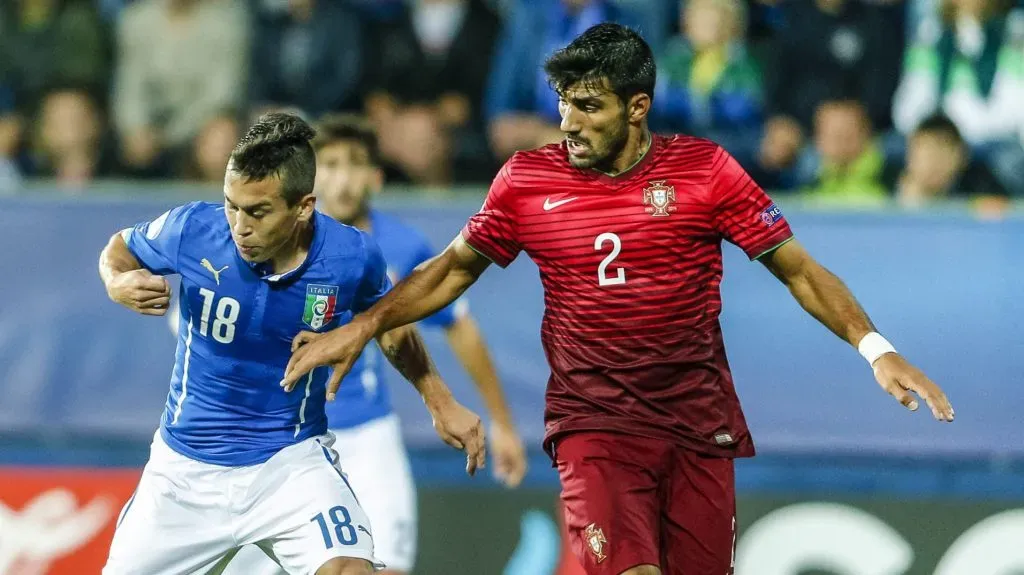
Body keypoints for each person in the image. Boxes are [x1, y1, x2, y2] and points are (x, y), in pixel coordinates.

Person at [279, 24, 956, 575]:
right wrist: (365, 324)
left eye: (589, 107)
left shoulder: (704, 172)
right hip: (594, 425)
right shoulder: (526, 182)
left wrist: (876, 348)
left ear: (637, 108)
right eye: (563, 103)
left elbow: (799, 271)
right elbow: (452, 271)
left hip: (697, 424)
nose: (568, 123)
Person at [98, 112, 485, 575]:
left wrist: (440, 401)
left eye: (257, 212)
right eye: (231, 205)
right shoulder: (192, 229)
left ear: (303, 207)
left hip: (290, 464)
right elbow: (120, 248)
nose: (239, 225)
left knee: (350, 570)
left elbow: (388, 324)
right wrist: (116, 281)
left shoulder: (350, 256)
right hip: (184, 472)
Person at [227, 116, 527, 575]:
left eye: (355, 164)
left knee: (387, 567)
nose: (343, 179)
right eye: (330, 165)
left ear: (376, 177)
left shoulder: (398, 247)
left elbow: (457, 326)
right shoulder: (269, 241)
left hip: (368, 436)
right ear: (310, 179)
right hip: (279, 437)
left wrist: (502, 423)